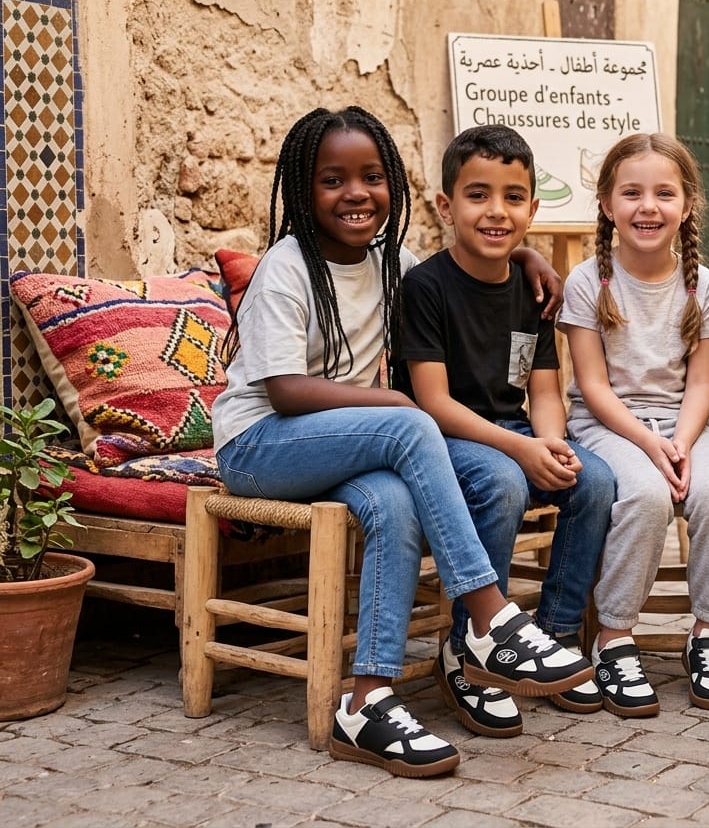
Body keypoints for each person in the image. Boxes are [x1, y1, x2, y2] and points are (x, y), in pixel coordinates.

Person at [212, 107, 592, 779]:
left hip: (342, 445)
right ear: (303, 190)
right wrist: (390, 403)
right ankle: (488, 618)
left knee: (395, 505)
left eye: (372, 177)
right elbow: (286, 393)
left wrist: (528, 253)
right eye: (333, 180)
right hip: (261, 446)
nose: (356, 194)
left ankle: (366, 701)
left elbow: (468, 259)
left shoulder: (392, 258)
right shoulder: (287, 266)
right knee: (411, 420)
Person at [394, 124, 614, 737]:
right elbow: (432, 401)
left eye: (514, 197)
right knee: (503, 483)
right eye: (478, 195)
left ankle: (554, 635)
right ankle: (469, 650)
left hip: (515, 428)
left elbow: (544, 391)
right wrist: (522, 449)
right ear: (446, 205)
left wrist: (550, 444)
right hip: (446, 437)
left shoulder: (533, 289)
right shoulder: (428, 286)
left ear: (533, 209)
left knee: (592, 479)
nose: (497, 211)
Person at [558, 133, 709, 717]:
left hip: (682, 423)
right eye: (631, 192)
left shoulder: (701, 285)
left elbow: (700, 385)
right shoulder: (589, 282)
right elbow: (593, 387)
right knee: (644, 494)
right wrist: (650, 445)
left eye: (664, 193)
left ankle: (708, 632)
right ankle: (613, 636)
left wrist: (682, 443)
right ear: (608, 205)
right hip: (606, 425)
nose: (647, 206)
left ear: (687, 205)